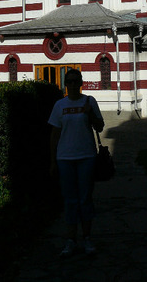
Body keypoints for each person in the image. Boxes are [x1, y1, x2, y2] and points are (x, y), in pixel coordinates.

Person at [49, 68, 104, 257]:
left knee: (85, 199)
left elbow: (100, 126)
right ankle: (71, 239)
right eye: (69, 82)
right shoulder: (59, 105)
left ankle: (87, 238)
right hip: (65, 158)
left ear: (81, 83)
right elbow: (54, 135)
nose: (72, 85)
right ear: (65, 84)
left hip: (86, 156)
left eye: (75, 81)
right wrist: (52, 161)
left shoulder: (89, 101)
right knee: (70, 200)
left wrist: (89, 114)